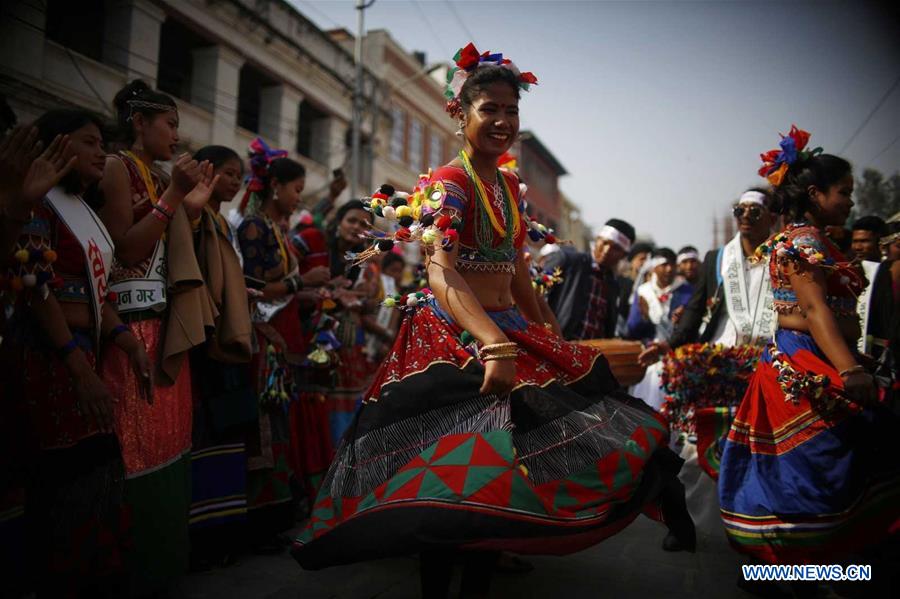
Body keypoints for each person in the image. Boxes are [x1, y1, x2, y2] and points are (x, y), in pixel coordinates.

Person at [291, 43, 694, 598]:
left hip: (506, 329)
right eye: (491, 110)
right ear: (461, 114)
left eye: (512, 112)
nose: (503, 122)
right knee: (455, 480)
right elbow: (440, 273)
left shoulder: (505, 185)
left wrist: (546, 329)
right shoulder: (449, 185)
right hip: (453, 340)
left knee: (507, 477)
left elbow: (518, 269)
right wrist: (494, 345)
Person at [718, 126, 900, 565]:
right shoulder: (802, 242)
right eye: (844, 192)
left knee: (831, 462)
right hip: (808, 362)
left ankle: (824, 563)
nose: (851, 202)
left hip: (820, 355)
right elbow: (816, 311)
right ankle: (805, 566)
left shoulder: (815, 240)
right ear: (815, 193)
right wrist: (851, 370)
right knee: (817, 466)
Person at [1, 109, 151, 598]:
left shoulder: (82, 209)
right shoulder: (38, 204)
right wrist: (74, 361)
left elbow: (98, 291)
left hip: (82, 353)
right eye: (89, 143)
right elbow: (35, 289)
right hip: (49, 357)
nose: (100, 153)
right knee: (68, 476)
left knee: (97, 471)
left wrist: (127, 342)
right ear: (58, 146)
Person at [99, 80, 216, 595]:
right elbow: (126, 251)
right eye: (168, 123)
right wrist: (173, 197)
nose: (176, 133)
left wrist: (188, 207)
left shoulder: (158, 174)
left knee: (171, 443)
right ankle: (130, 570)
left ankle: (165, 566)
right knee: (136, 446)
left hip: (164, 324)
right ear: (138, 122)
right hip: (130, 329)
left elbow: (168, 246)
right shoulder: (116, 167)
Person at [638, 188, 777, 552]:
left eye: (755, 210)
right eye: (740, 209)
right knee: (697, 447)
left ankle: (751, 531)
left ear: (772, 217)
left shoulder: (783, 255)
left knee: (759, 449)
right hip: (715, 366)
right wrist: (669, 344)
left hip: (766, 364)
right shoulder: (718, 259)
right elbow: (697, 310)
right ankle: (684, 527)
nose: (745, 216)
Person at [236, 140, 332, 546]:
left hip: (286, 338)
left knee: (281, 430)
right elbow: (253, 289)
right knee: (267, 433)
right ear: (275, 186)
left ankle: (278, 515)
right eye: (295, 189)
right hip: (266, 341)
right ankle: (259, 523)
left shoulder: (280, 230)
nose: (298, 198)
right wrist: (300, 283)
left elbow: (283, 290)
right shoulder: (254, 226)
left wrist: (309, 294)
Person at [187, 145, 255, 569]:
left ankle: (225, 533)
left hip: (228, 336)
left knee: (229, 433)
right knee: (209, 433)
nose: (234, 181)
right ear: (206, 172)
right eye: (228, 173)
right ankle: (206, 537)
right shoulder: (195, 217)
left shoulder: (221, 222)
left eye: (238, 175)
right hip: (208, 337)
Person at [544, 218, 635, 340]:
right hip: (559, 346)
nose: (607, 250)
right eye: (605, 242)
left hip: (593, 355)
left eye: (616, 248)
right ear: (597, 239)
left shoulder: (613, 285)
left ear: (623, 255)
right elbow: (535, 296)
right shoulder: (568, 261)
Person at [617, 241, 654, 323]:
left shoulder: (652, 287)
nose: (645, 263)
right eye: (642, 259)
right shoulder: (619, 282)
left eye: (648, 260)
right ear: (632, 261)